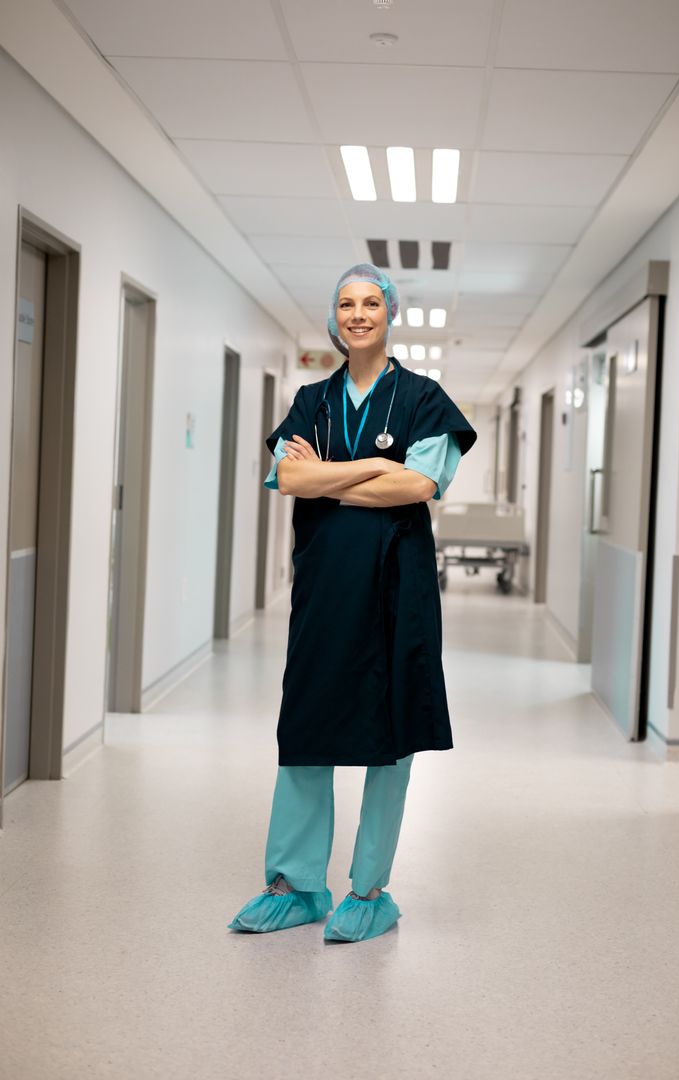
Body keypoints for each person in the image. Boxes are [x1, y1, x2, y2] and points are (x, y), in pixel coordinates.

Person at [227, 263, 476, 943]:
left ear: (389, 312)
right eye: (346, 302)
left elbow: (419, 486)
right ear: (333, 316)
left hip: (400, 590)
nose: (358, 313)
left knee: (390, 737)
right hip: (325, 589)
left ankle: (368, 892)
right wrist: (371, 469)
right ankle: (297, 885)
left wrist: (326, 479)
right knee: (306, 727)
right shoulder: (310, 398)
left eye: (371, 302)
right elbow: (287, 475)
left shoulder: (426, 398)